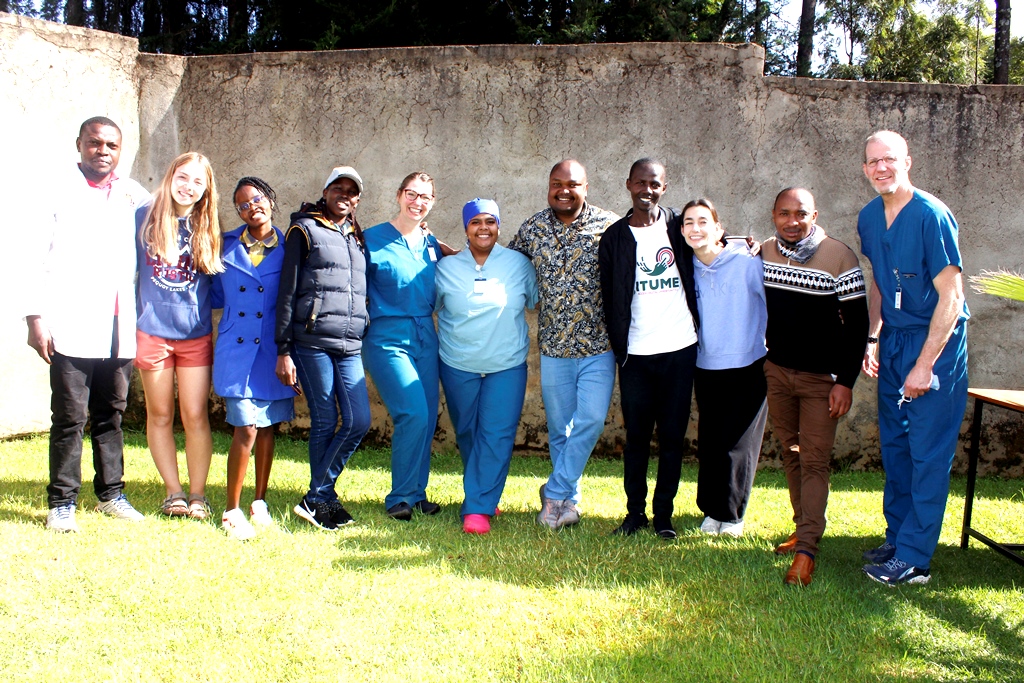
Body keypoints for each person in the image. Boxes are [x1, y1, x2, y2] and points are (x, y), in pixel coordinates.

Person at [25, 117, 150, 532]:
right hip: (71, 323)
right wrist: (35, 317)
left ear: (120, 150)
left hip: (119, 325)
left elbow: (166, 226)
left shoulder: (133, 194)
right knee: (70, 417)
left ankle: (111, 494)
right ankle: (62, 502)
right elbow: (33, 256)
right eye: (95, 143)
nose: (103, 151)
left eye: (111, 145)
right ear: (79, 144)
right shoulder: (56, 190)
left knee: (111, 414)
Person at [858, 131, 970, 586]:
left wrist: (925, 365)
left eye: (889, 159)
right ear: (865, 169)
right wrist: (873, 337)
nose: (881, 168)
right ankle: (898, 537)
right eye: (873, 162)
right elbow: (881, 282)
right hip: (895, 342)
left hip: (934, 345)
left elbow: (952, 296)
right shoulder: (869, 216)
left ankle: (915, 559)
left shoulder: (931, 215)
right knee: (897, 448)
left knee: (927, 451)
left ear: (907, 161)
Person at [761, 187, 868, 586]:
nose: (792, 221)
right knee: (791, 454)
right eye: (784, 213)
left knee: (814, 460)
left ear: (814, 215)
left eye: (800, 214)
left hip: (822, 380)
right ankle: (801, 528)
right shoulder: (765, 252)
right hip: (778, 372)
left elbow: (857, 326)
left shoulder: (838, 256)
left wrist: (845, 382)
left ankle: (806, 552)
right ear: (774, 215)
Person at [508, 160, 619, 530]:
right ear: (549, 187)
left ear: (585, 187)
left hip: (598, 346)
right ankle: (568, 504)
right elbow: (504, 263)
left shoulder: (609, 225)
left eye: (572, 184)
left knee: (590, 420)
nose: (564, 190)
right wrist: (453, 254)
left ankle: (554, 491)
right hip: (554, 348)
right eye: (556, 183)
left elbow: (645, 250)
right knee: (560, 430)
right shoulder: (533, 228)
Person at [598, 159, 700, 539]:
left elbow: (713, 243)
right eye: (640, 183)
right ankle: (634, 514)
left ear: (664, 187)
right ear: (628, 184)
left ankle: (664, 517)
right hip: (636, 355)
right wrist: (619, 343)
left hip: (680, 349)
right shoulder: (614, 238)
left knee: (672, 438)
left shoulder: (679, 226)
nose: (647, 190)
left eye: (654, 184)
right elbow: (609, 296)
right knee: (637, 439)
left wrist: (747, 245)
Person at [275, 166, 371, 531]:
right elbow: (287, 290)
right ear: (326, 191)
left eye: (351, 190)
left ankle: (317, 495)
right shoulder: (304, 230)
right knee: (326, 420)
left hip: (350, 343)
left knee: (359, 421)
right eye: (338, 188)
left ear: (357, 199)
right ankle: (322, 500)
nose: (344, 194)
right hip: (311, 341)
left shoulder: (357, 236)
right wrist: (284, 350)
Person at [435, 199, 538, 534]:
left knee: (497, 434)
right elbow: (431, 306)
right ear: (466, 228)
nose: (483, 228)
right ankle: (483, 491)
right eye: (475, 222)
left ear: (498, 226)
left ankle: (478, 508)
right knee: (468, 432)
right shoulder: (446, 268)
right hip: (458, 363)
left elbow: (535, 301)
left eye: (490, 221)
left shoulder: (518, 264)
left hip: (506, 365)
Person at [136, 152, 222, 520]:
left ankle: (198, 495)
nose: (188, 186)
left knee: (195, 415)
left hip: (194, 335)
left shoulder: (208, 226)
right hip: (152, 333)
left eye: (198, 181)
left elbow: (218, 287)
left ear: (206, 189)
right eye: (183, 177)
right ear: (171, 176)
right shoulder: (143, 217)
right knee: (159, 414)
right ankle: (174, 493)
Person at [211, 177, 295, 539]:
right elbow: (213, 292)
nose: (251, 207)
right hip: (236, 348)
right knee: (245, 426)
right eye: (243, 205)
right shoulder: (223, 245)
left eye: (257, 199)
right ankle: (231, 510)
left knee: (266, 426)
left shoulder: (292, 246)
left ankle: (259, 502)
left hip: (273, 350)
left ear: (271, 201)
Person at [683, 198, 768, 540]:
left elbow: (772, 302)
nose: (696, 228)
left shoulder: (748, 261)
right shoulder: (685, 266)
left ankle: (731, 515)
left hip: (749, 363)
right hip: (706, 364)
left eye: (703, 221)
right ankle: (711, 509)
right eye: (689, 222)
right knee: (711, 440)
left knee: (739, 444)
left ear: (719, 229)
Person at [363, 172, 446, 521]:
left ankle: (417, 492)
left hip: (425, 334)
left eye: (425, 197)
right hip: (386, 336)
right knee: (412, 412)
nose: (417, 202)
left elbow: (451, 268)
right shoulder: (370, 239)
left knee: (426, 416)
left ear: (432, 202)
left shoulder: (431, 244)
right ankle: (400, 497)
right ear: (399, 195)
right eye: (412, 194)